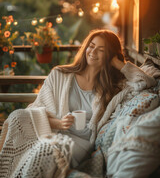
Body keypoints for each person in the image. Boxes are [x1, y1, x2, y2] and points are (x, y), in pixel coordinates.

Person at [28, 29, 156, 168]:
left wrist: (117, 62)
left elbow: (146, 82)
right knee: (22, 122)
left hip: (81, 143)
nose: (93, 52)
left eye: (101, 49)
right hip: (54, 133)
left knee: (47, 156)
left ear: (110, 55)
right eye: (91, 45)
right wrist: (59, 124)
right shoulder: (59, 75)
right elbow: (35, 111)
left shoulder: (114, 87)